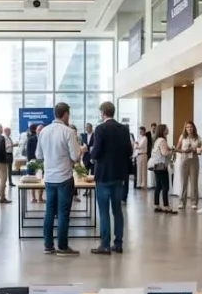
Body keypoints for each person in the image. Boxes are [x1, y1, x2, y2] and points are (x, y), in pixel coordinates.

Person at [39, 102, 82, 256]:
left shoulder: (43, 131)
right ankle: (63, 248)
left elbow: (38, 155)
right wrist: (81, 150)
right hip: (64, 177)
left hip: (49, 178)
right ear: (65, 114)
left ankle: (48, 246)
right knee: (63, 213)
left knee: (49, 212)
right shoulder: (68, 131)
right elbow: (75, 156)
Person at [89, 102, 132, 255]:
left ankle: (105, 245)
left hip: (103, 175)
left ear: (102, 113)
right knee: (117, 210)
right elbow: (129, 150)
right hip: (119, 175)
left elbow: (97, 151)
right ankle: (118, 243)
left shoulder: (100, 128)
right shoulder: (124, 129)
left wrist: (92, 157)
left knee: (103, 211)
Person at [176, 121, 200, 212]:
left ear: (193, 128)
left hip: (194, 159)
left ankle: (194, 203)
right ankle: (182, 202)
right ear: (185, 128)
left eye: (191, 127)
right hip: (184, 160)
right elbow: (177, 149)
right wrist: (184, 150)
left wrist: (195, 150)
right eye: (187, 127)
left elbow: (200, 149)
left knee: (194, 181)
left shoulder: (197, 138)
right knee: (183, 182)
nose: (189, 129)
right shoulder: (182, 137)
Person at [150, 124, 174, 214]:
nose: (168, 130)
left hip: (156, 165)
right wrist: (172, 151)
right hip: (161, 165)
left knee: (158, 186)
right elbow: (164, 153)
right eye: (167, 128)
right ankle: (166, 206)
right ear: (163, 130)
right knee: (165, 186)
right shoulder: (162, 140)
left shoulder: (157, 140)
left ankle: (156, 205)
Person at [25, 123, 43, 203]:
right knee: (32, 180)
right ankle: (33, 197)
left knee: (41, 180)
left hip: (42, 163)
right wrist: (32, 163)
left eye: (42, 130)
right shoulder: (31, 140)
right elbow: (28, 153)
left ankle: (40, 198)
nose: (41, 131)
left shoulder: (46, 140)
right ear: (36, 131)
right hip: (33, 162)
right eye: (39, 129)